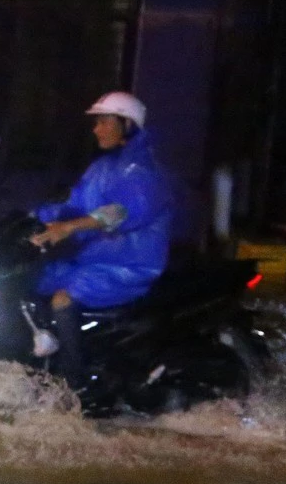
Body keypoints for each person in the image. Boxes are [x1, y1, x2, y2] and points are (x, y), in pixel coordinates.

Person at [27, 91, 175, 387]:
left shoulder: (145, 172)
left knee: (63, 299)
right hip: (92, 258)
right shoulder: (103, 167)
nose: (96, 129)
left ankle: (73, 384)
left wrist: (68, 228)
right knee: (32, 284)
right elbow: (75, 203)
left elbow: (120, 211)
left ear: (127, 125)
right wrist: (33, 219)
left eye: (104, 122)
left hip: (128, 266)